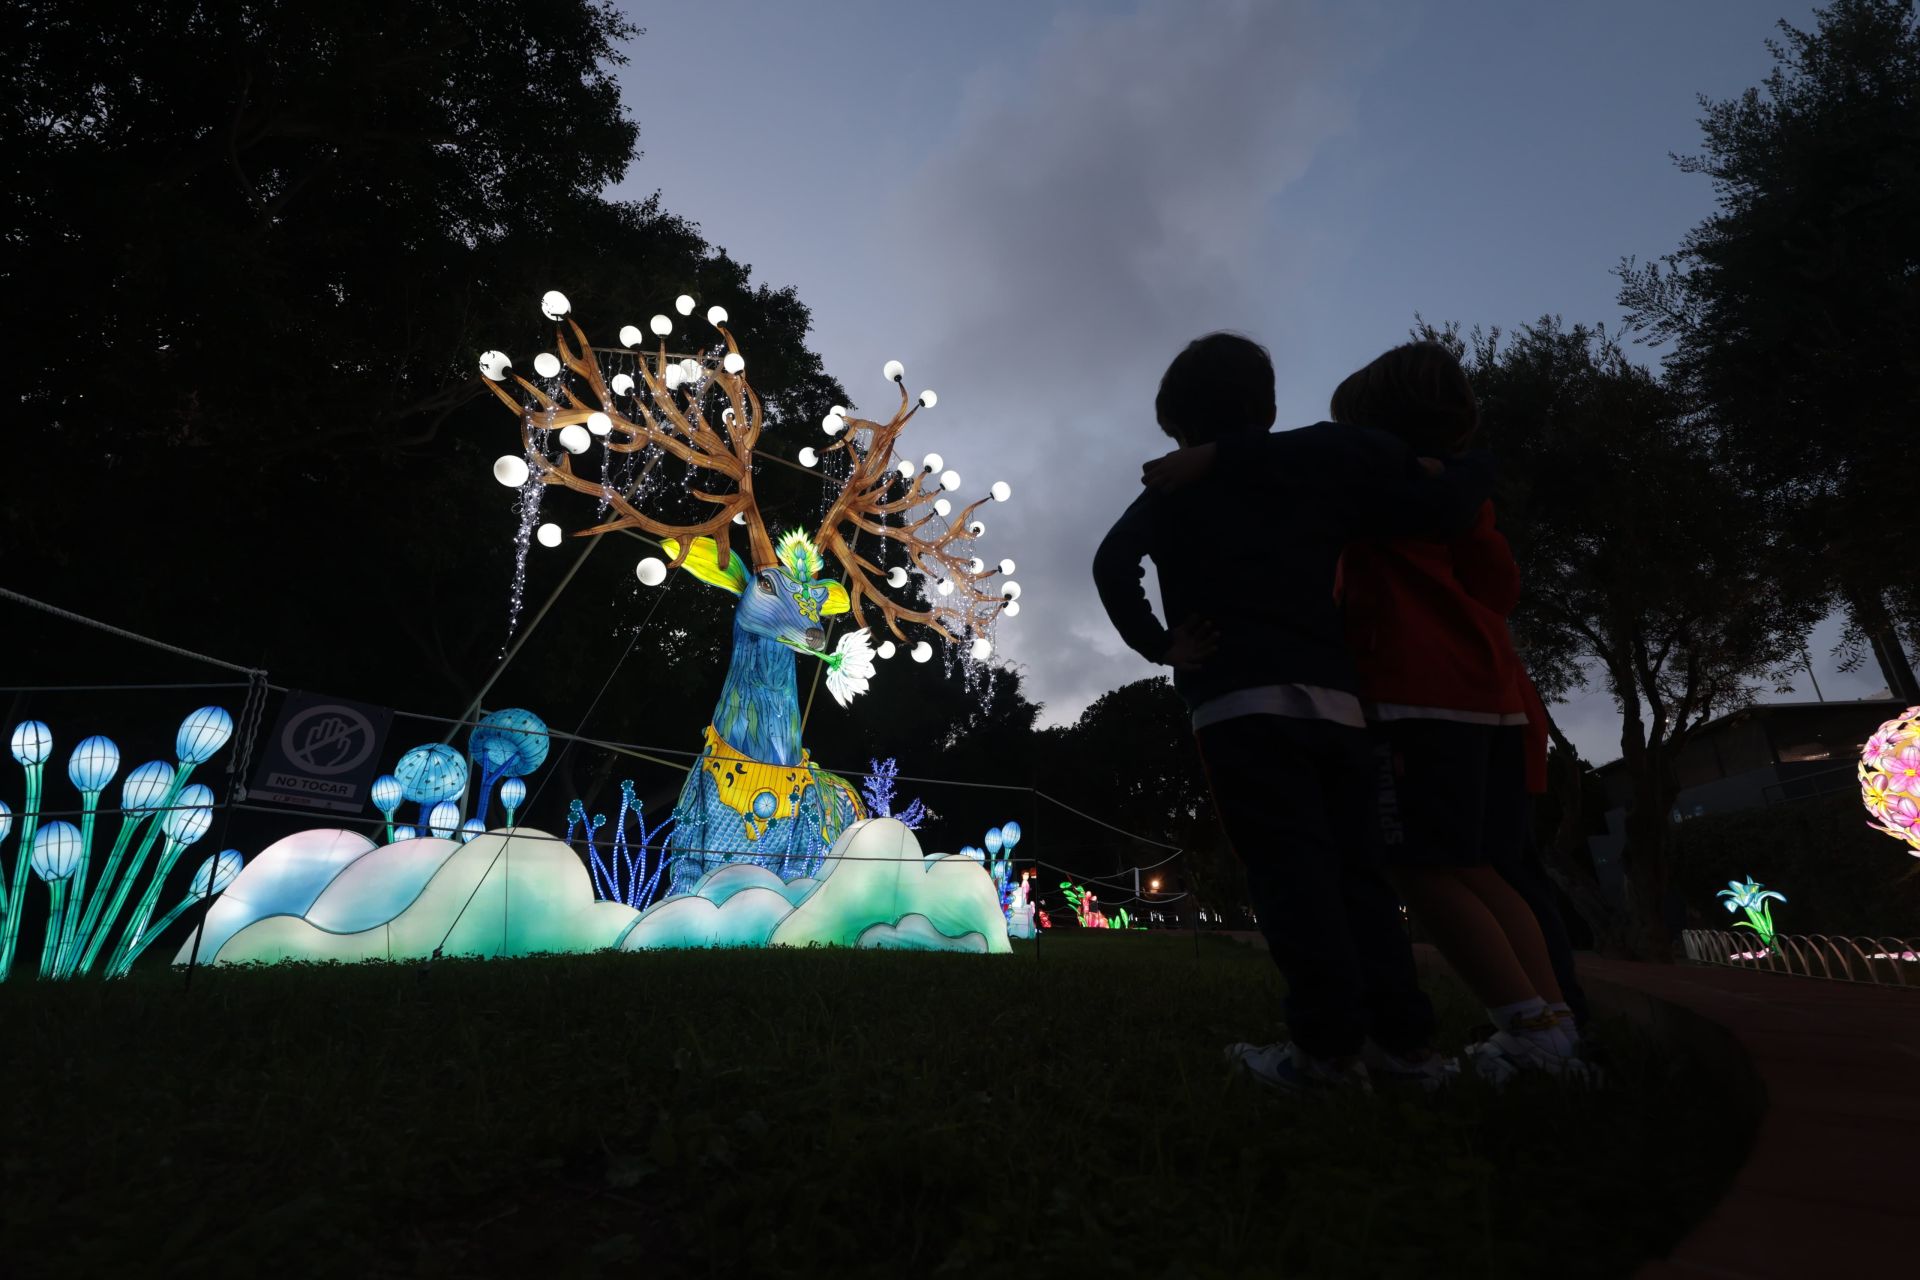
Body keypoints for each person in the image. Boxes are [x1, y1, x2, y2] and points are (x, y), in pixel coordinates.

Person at [1093, 332, 1492, 1093]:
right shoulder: (1314, 471)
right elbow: (1395, 472)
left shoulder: (1179, 485)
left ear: (1178, 427)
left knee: (1289, 876)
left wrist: (1159, 645)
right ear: (1269, 408)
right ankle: (1405, 1048)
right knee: (1360, 876)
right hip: (1338, 705)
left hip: (1240, 706)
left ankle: (1328, 1052)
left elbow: (1112, 562)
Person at [1328, 341, 1588, 1082]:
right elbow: (1501, 590)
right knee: (1481, 866)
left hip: (1414, 698)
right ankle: (1555, 1029)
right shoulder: (1467, 499)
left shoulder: (1369, 490)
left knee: (1421, 870)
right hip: (1493, 703)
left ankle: (1528, 1032)